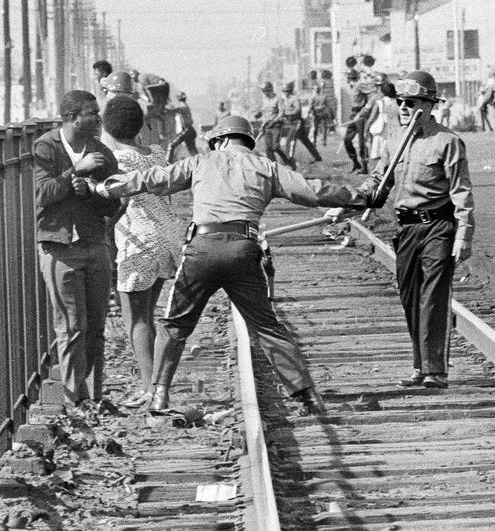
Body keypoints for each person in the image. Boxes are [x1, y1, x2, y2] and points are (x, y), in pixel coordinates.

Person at [90, 115, 392, 415]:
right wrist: (361, 198)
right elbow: (313, 192)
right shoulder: (267, 167)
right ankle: (307, 395)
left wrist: (108, 187)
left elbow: (153, 179)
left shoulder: (201, 162)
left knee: (174, 325)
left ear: (219, 140)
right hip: (243, 252)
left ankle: (159, 396)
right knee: (266, 326)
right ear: (247, 141)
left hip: (201, 252)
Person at [380, 71, 475, 391]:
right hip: (406, 229)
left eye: (411, 102)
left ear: (429, 105)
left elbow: (462, 193)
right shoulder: (393, 140)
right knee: (410, 297)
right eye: (400, 102)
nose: (404, 107)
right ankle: (420, 367)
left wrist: (464, 236)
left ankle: (436, 370)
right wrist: (346, 204)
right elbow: (379, 182)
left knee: (432, 297)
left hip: (438, 226)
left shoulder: (447, 141)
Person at [33, 90, 122, 416]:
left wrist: (91, 193)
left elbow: (114, 201)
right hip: (60, 249)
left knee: (95, 326)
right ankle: (76, 399)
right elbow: (42, 194)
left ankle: (96, 397)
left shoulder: (101, 153)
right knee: (71, 327)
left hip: (94, 245)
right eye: (91, 113)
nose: (98, 119)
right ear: (72, 117)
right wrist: (75, 173)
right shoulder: (46, 147)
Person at [100, 96, 185, 409]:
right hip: (167, 238)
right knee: (148, 315)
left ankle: (150, 390)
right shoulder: (157, 153)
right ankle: (154, 385)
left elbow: (113, 199)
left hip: (139, 239)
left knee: (136, 320)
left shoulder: (116, 159)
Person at [255, 81, 296, 169]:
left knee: (275, 147)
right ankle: (273, 166)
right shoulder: (265, 100)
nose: (264, 93)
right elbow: (264, 112)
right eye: (263, 91)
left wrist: (274, 121)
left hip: (276, 126)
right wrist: (259, 114)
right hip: (267, 126)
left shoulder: (278, 99)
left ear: (269, 90)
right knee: (267, 148)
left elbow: (282, 112)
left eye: (265, 91)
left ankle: (288, 161)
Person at [342, 73, 377, 173]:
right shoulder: (352, 87)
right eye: (349, 78)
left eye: (351, 78)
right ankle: (355, 163)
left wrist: (367, 107)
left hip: (360, 114)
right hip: (353, 114)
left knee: (362, 142)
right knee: (347, 139)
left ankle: (364, 167)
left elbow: (373, 91)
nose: (350, 80)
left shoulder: (359, 85)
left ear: (355, 77)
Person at [279, 81, 322, 164]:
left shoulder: (294, 98)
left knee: (290, 140)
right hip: (292, 122)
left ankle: (289, 158)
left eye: (287, 91)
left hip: (297, 122)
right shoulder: (285, 100)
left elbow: (298, 110)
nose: (285, 93)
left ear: (290, 91)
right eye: (284, 91)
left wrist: (287, 113)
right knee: (305, 140)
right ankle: (317, 157)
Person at [166, 91, 200, 162]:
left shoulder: (183, 106)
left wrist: (165, 110)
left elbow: (174, 110)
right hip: (190, 131)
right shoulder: (184, 106)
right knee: (192, 151)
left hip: (187, 131)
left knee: (171, 145)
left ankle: (167, 163)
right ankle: (201, 162)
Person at [308, 82, 335, 146]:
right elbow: (328, 106)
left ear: (314, 90)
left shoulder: (312, 97)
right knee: (324, 127)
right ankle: (324, 141)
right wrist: (330, 113)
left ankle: (314, 141)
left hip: (316, 113)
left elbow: (310, 106)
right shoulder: (324, 96)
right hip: (323, 113)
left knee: (315, 127)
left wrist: (308, 113)